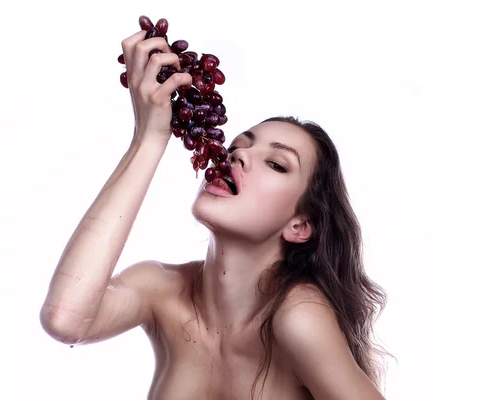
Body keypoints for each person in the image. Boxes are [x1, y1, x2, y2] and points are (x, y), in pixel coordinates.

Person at [40, 29, 391, 400]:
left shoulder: (297, 317)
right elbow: (65, 318)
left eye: (275, 163)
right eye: (237, 145)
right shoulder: (162, 290)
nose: (236, 155)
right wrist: (149, 138)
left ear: (300, 225)